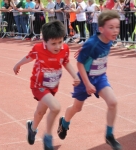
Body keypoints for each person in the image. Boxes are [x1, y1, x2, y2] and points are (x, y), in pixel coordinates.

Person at [57, 10, 122, 150]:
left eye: (117, 27)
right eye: (111, 27)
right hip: (85, 79)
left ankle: (109, 135)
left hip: (100, 77)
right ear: (101, 29)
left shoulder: (108, 37)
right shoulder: (92, 44)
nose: (115, 30)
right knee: (77, 108)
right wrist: (87, 84)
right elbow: (79, 64)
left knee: (113, 102)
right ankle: (64, 122)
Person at [13, 20, 80, 150]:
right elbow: (29, 57)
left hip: (53, 86)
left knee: (40, 112)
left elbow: (65, 62)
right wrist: (18, 64)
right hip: (38, 85)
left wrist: (75, 75)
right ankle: (48, 137)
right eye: (53, 43)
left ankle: (32, 128)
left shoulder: (65, 49)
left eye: (60, 42)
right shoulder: (38, 49)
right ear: (44, 41)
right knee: (55, 107)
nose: (58, 46)